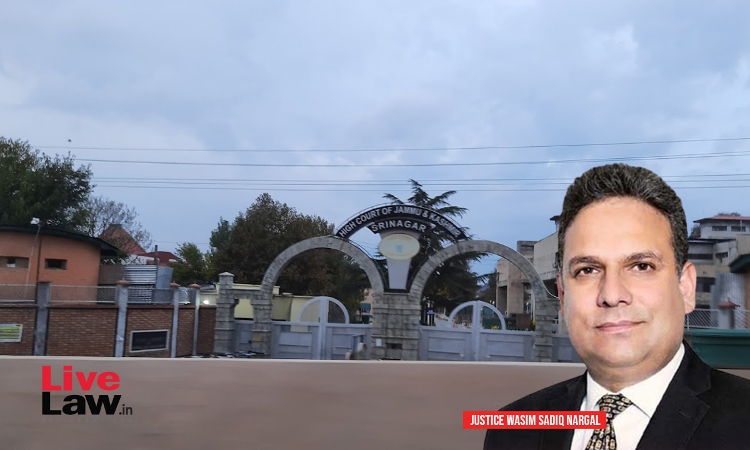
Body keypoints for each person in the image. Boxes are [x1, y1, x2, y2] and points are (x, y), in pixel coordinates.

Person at [484, 164, 750, 450]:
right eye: (587, 270)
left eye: (641, 266)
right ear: (562, 295)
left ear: (685, 287)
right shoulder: (512, 429)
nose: (611, 295)